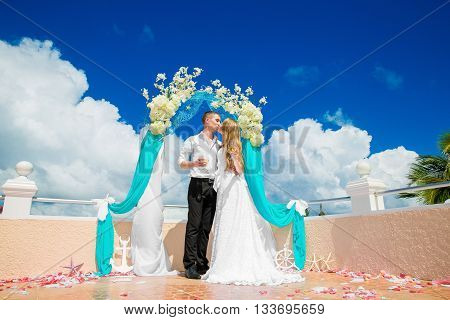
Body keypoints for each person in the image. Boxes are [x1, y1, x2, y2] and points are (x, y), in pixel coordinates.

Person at [202, 118, 304, 285]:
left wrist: (234, 158)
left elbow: (240, 170)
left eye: (222, 125)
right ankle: (223, 262)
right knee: (225, 222)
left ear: (228, 130)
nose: (219, 126)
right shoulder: (223, 145)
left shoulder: (234, 147)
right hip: (223, 187)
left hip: (234, 188)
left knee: (235, 222)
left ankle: (234, 264)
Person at [178, 111, 222, 279]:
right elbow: (180, 162)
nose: (219, 123)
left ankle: (201, 264)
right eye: (217, 120)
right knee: (194, 225)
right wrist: (193, 163)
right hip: (197, 184)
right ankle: (189, 266)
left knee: (206, 228)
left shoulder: (219, 144)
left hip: (213, 187)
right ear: (206, 121)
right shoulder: (193, 140)